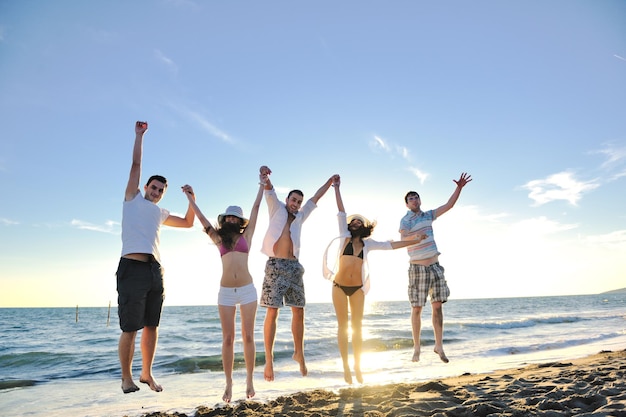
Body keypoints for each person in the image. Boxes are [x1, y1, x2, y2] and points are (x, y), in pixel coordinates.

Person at [322, 176, 427, 384]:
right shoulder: (343, 237)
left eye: (359, 221)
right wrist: (336, 188)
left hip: (358, 289)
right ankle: (345, 367)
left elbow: (391, 246)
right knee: (343, 326)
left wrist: (414, 240)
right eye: (352, 221)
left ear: (364, 226)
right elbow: (340, 211)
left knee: (358, 328)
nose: (355, 223)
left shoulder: (368, 244)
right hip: (339, 287)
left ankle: (358, 367)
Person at [116, 121, 195, 394]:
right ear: (146, 186)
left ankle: (146, 373)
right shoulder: (132, 199)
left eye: (161, 190)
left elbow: (187, 223)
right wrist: (139, 135)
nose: (156, 192)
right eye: (154, 187)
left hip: (155, 271)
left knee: (152, 325)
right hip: (132, 268)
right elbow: (136, 165)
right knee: (131, 327)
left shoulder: (160, 213)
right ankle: (126, 378)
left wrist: (192, 199)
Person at [181, 179, 263, 403]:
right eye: (228, 217)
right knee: (228, 338)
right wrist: (190, 198)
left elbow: (256, 209)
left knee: (248, 336)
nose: (231, 219)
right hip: (226, 292)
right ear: (225, 220)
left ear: (239, 221)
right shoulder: (218, 238)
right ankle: (228, 383)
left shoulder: (247, 237)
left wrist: (261, 185)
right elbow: (202, 220)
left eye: (235, 217)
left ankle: (249, 379)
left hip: (247, 290)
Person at [258, 165, 336, 381]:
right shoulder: (276, 208)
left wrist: (330, 182)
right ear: (287, 199)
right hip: (275, 265)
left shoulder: (301, 216)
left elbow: (315, 198)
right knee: (272, 312)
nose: (296, 204)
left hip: (294, 267)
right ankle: (269, 359)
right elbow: (269, 189)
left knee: (299, 310)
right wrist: (264, 175)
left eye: (299, 202)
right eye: (294, 200)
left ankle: (298, 352)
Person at [399, 172, 472, 363]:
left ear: (420, 200)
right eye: (410, 199)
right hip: (417, 268)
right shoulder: (406, 220)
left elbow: (448, 205)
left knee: (438, 307)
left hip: (435, 266)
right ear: (407, 204)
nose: (414, 200)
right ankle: (416, 348)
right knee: (416, 308)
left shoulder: (429, 215)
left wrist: (459, 188)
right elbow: (402, 238)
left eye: (416, 197)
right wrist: (416, 238)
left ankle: (438, 345)